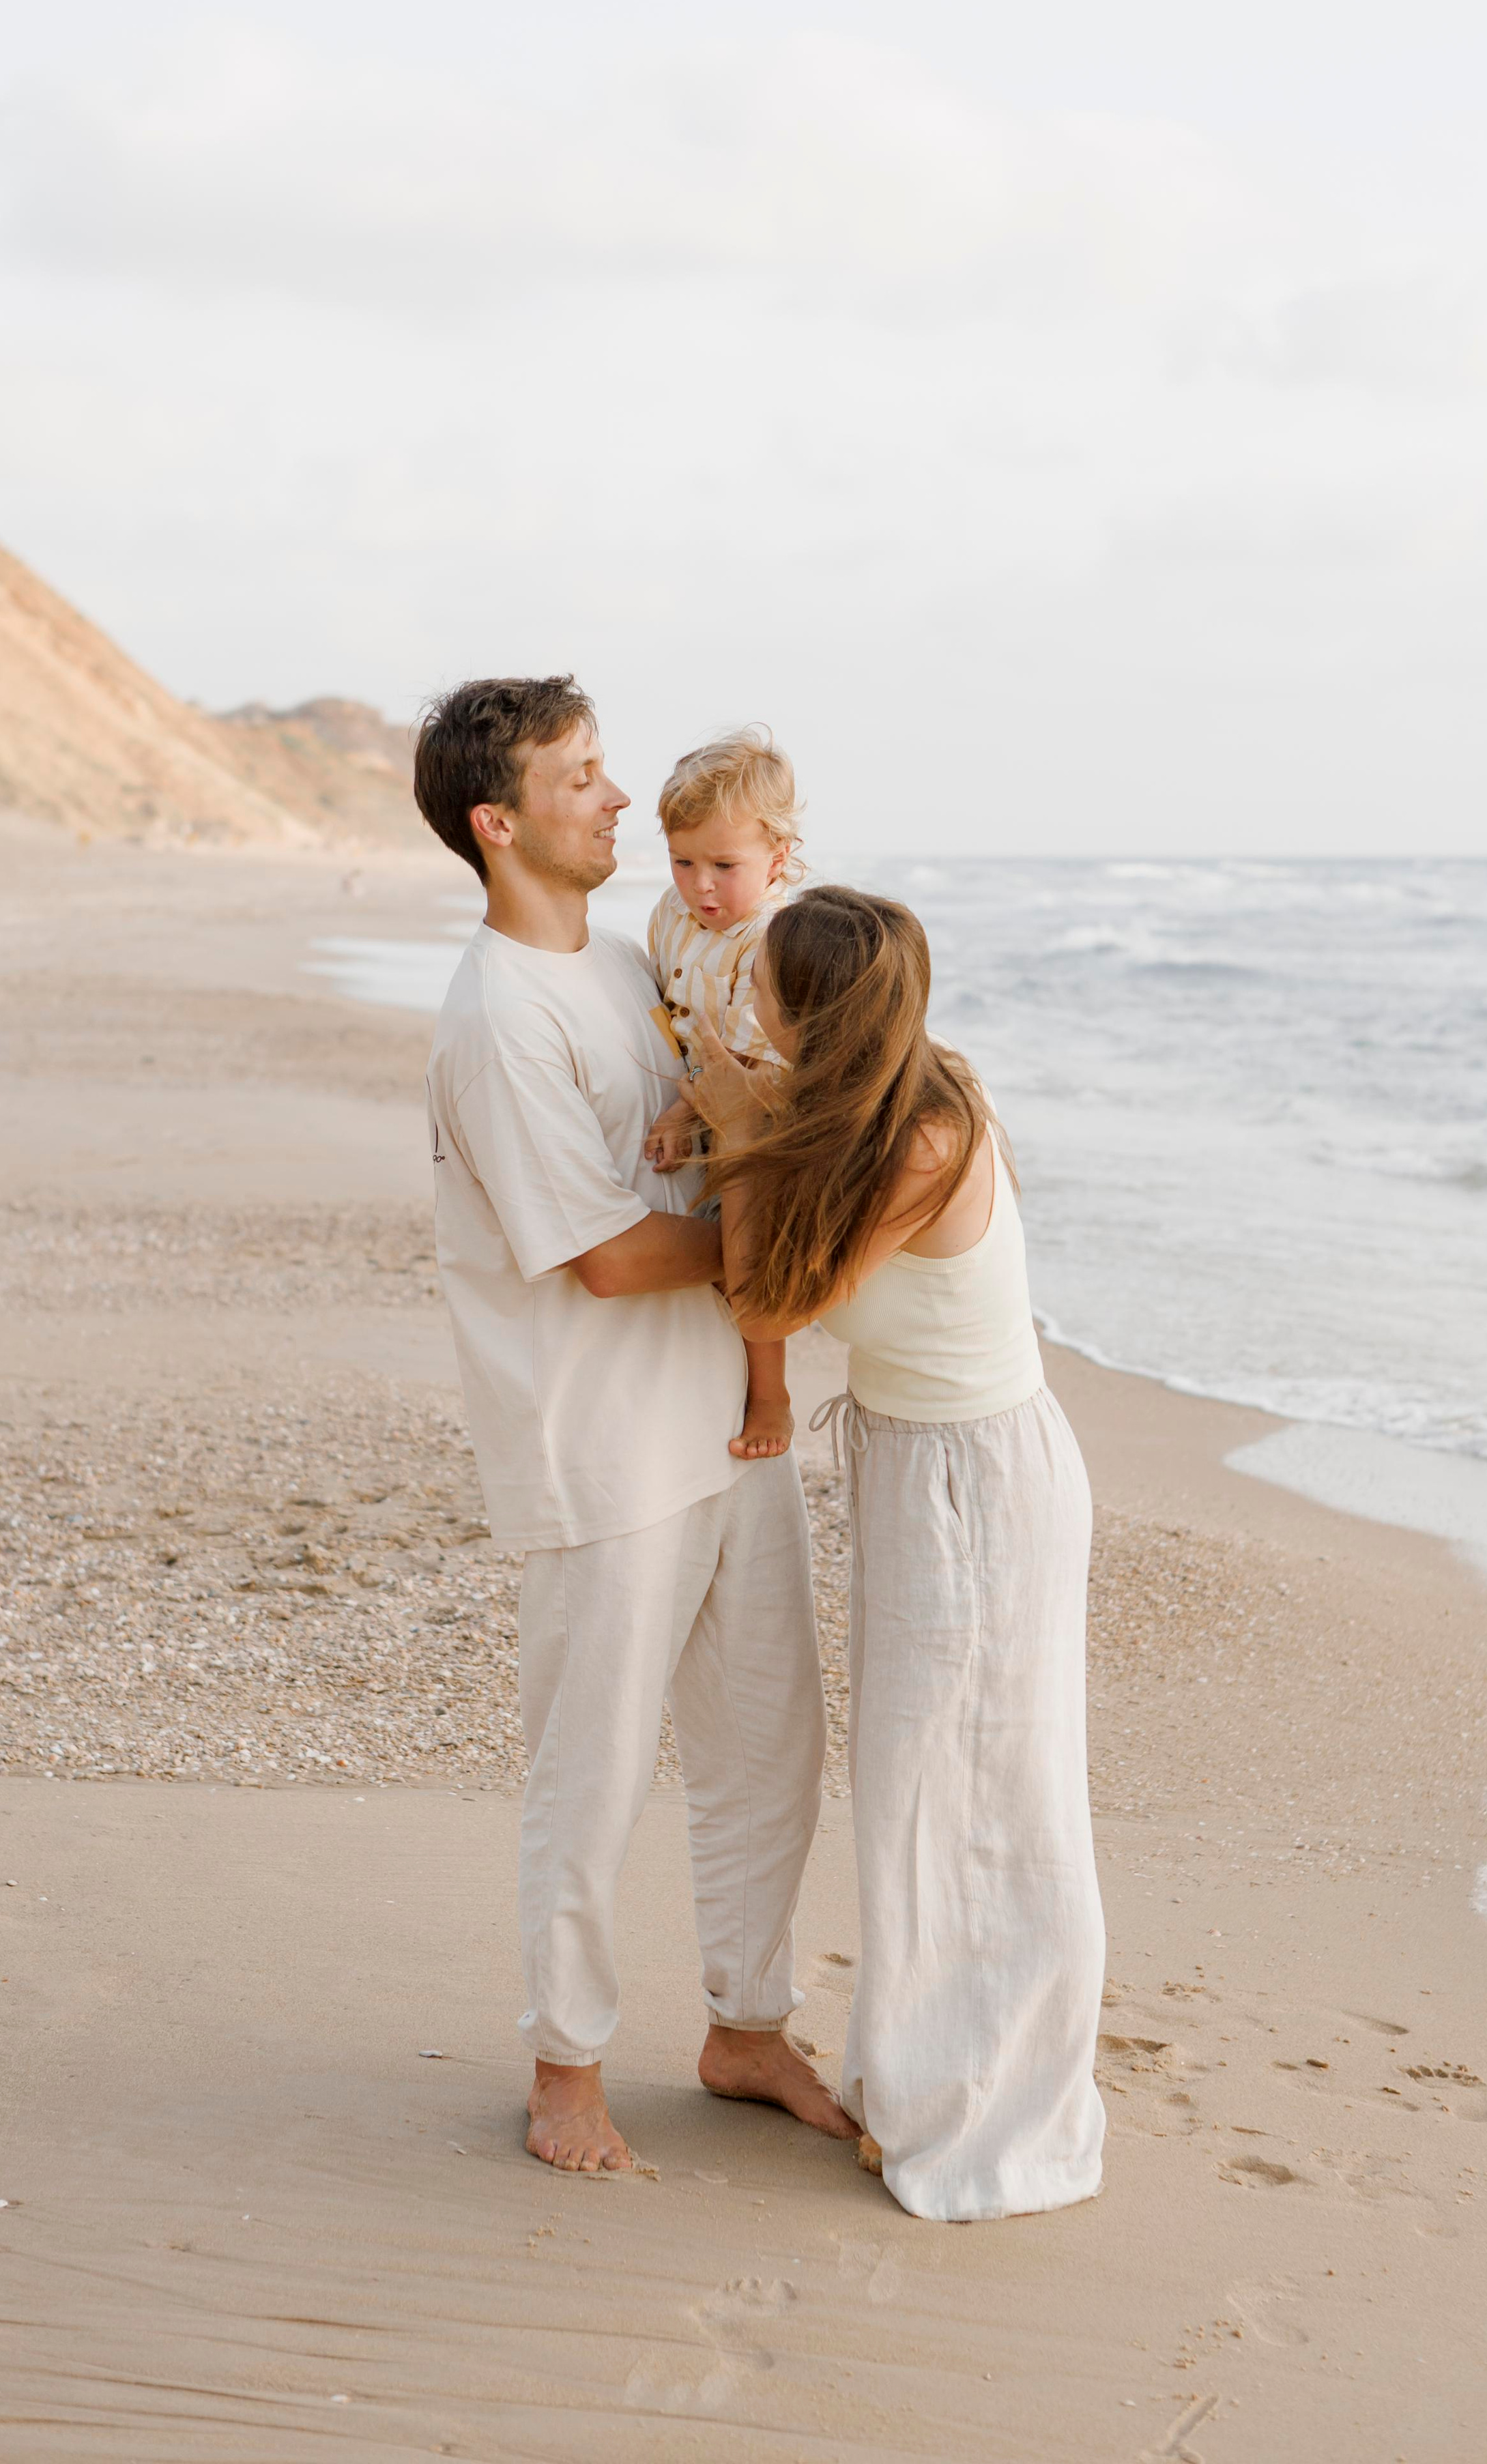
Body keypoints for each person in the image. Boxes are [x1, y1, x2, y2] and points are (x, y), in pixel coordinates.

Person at [413, 675, 855, 2175]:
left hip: (726, 1428)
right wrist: (818, 1237)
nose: (614, 800)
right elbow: (606, 1254)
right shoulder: (494, 1018)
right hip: (597, 1450)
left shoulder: (626, 962)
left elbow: (732, 1130)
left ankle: (744, 2028)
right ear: (500, 821)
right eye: (582, 776)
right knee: (590, 1769)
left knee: (767, 1749)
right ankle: (565, 2070)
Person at [685, 884, 1107, 2222]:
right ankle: (923, 2071)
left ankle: (986, 2109)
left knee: (985, 1797)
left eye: (762, 982)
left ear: (811, 1009)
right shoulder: (877, 1098)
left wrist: (739, 1137)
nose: (744, 995)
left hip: (975, 1485)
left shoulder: (922, 1134)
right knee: (922, 1788)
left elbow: (773, 1302)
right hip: (919, 1468)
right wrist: (752, 1113)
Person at [642, 725, 803, 1462]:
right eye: (683, 861)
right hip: (702, 1090)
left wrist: (682, 1109)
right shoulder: (672, 918)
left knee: (749, 1253)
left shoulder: (771, 935)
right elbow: (661, 1003)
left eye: (724, 866)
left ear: (778, 857)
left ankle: (769, 1388)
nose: (700, 885)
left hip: (757, 1108)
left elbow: (747, 1053)